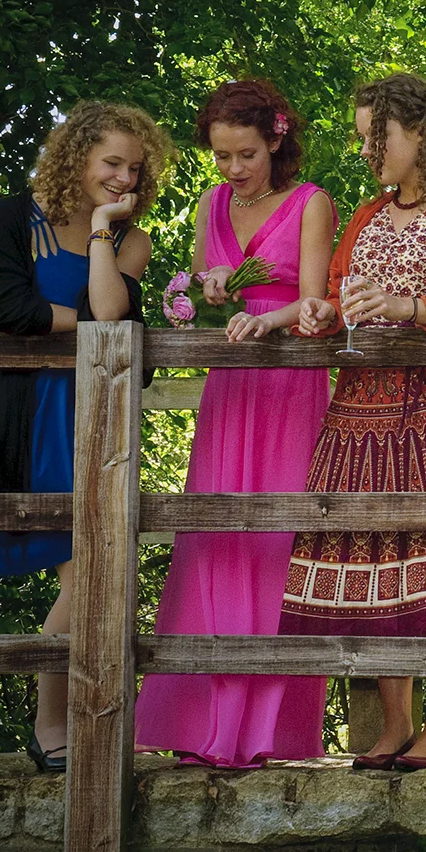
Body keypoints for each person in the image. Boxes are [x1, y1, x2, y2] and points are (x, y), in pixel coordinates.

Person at [283, 72, 426, 772]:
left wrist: (405, 306)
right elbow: (334, 295)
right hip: (357, 417)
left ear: (419, 130)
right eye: (361, 140)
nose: (367, 152)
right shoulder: (363, 215)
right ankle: (393, 725)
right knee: (376, 569)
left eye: (375, 137)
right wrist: (324, 311)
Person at [134, 80, 333, 768]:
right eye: (221, 156)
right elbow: (186, 288)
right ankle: (201, 724)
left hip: (287, 386)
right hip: (231, 384)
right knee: (213, 538)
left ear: (276, 138)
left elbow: (317, 302)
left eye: (244, 152)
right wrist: (205, 285)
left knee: (278, 543)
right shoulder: (210, 203)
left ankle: (264, 733)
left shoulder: (312, 203)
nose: (233, 168)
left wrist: (270, 315)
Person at [0, 100, 170, 772]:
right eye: (111, 162)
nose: (124, 178)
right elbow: (8, 309)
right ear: (76, 156)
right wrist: (81, 319)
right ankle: (54, 722)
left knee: (99, 568)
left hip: (98, 414)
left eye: (134, 169)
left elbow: (111, 315)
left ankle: (65, 722)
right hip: (28, 415)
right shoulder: (9, 218)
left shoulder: (129, 241)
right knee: (85, 571)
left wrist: (97, 233)